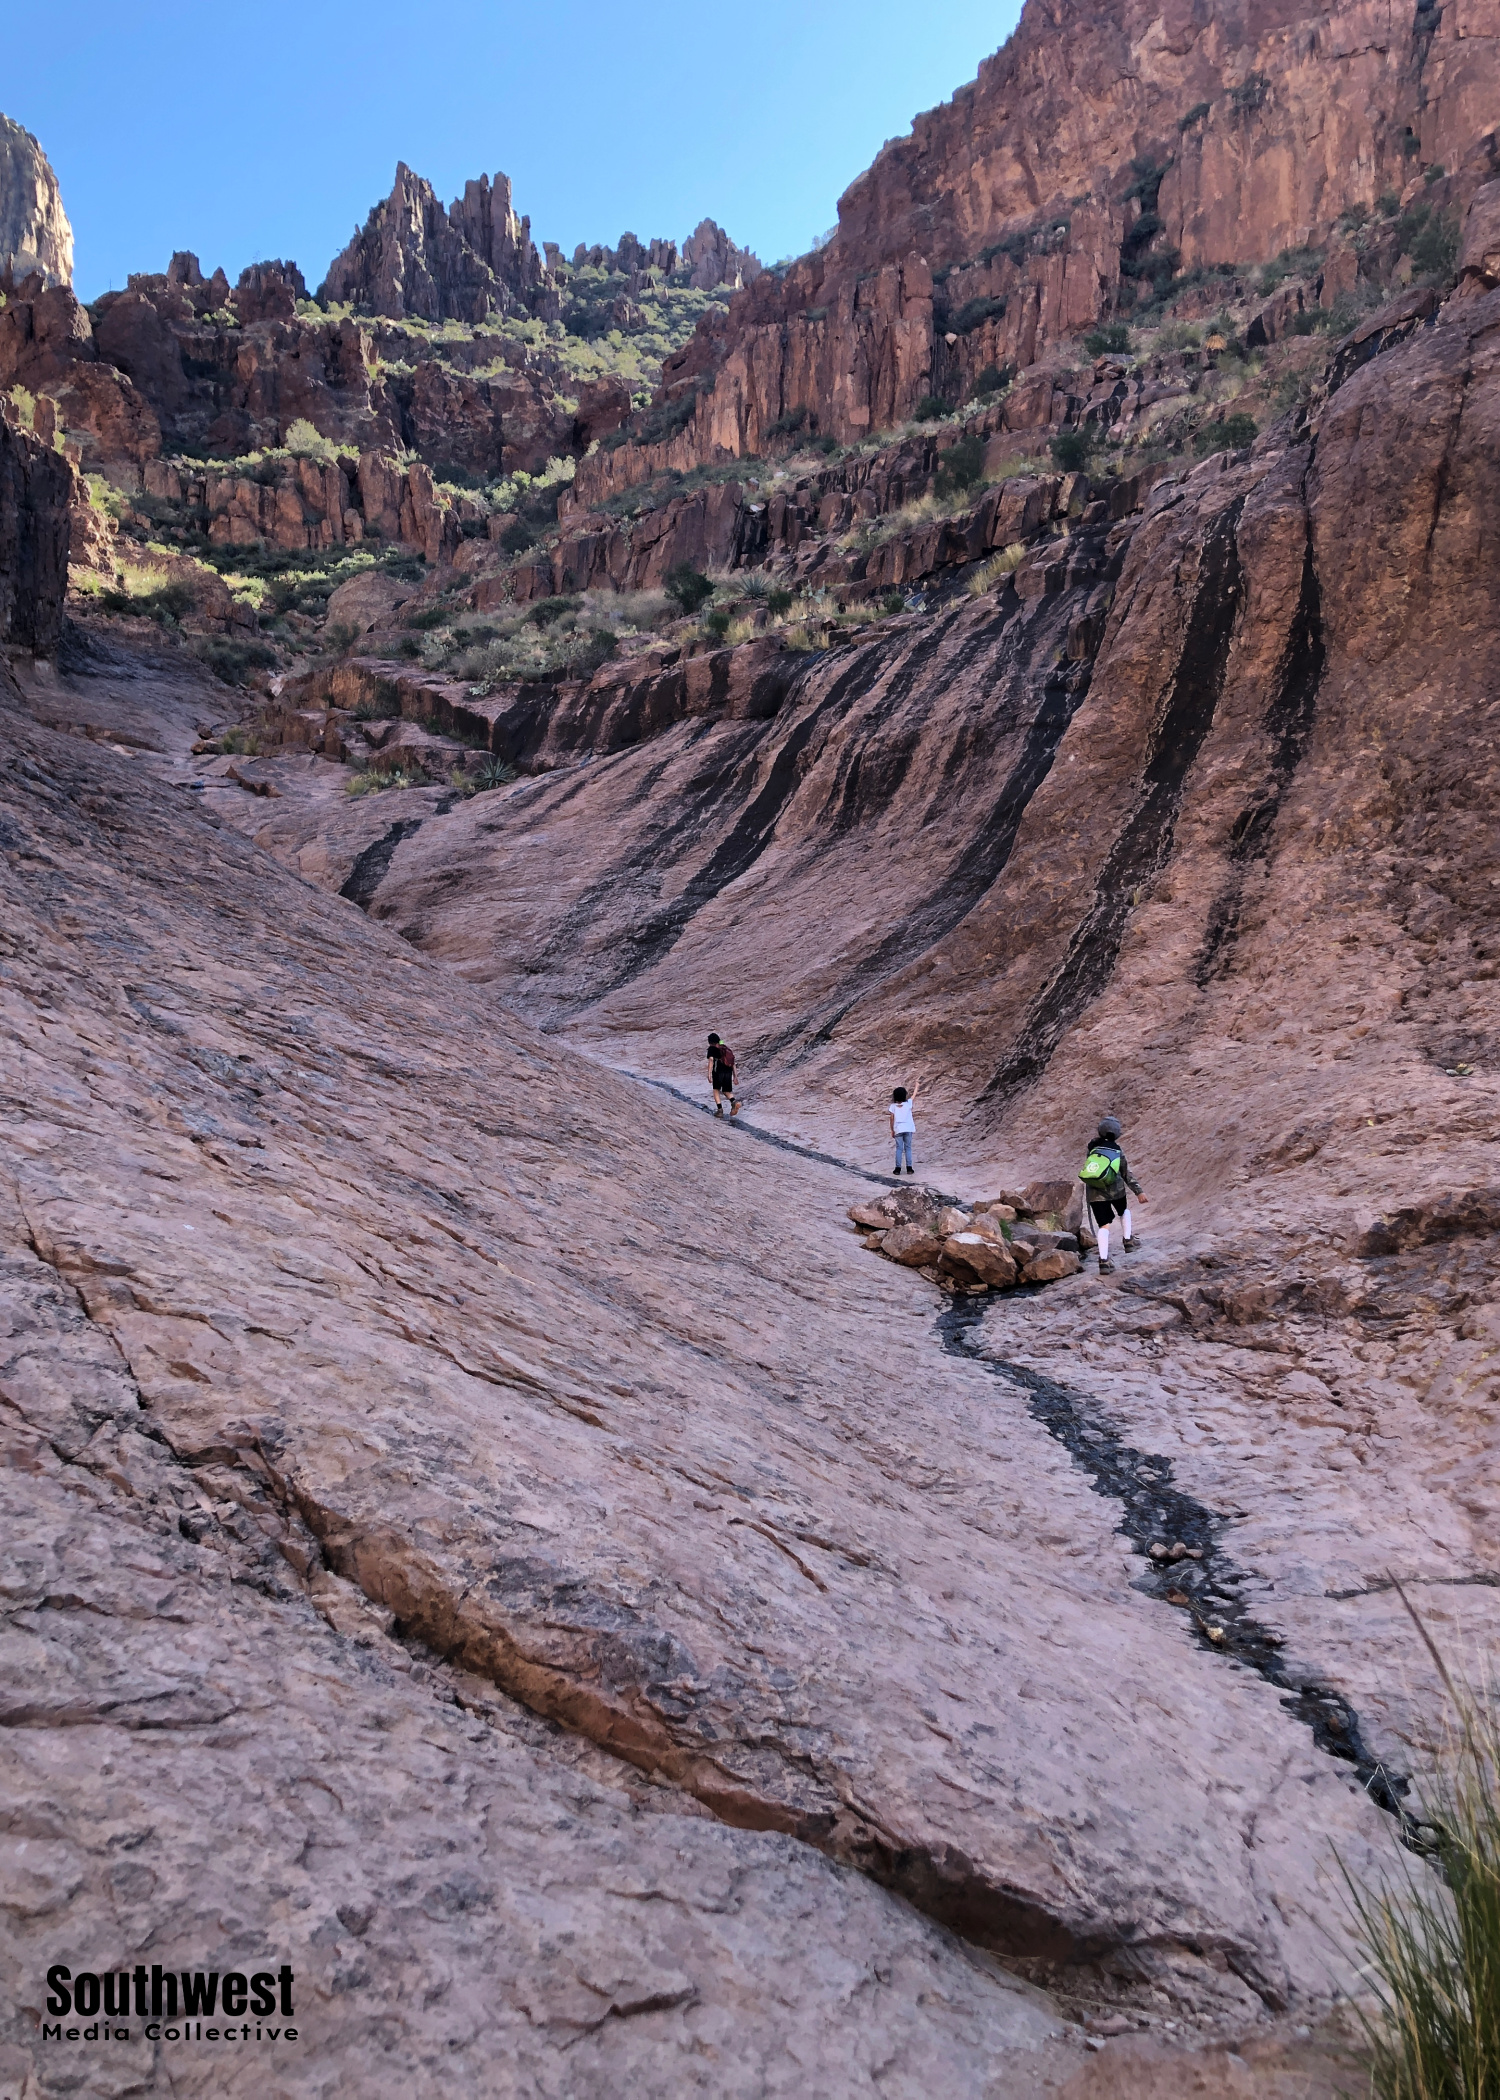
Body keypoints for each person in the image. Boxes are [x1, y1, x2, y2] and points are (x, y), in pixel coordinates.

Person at [1078, 1115, 1145, 1274]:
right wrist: (1139, 1191)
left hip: (1095, 1193)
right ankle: (1128, 1240)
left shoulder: (1092, 1147)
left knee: (1104, 1226)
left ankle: (1104, 1261)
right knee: (1123, 1211)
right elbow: (1125, 1173)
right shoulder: (1116, 1150)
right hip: (1116, 1191)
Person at [706, 1032, 740, 1117]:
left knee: (716, 1089)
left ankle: (720, 1110)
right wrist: (735, 1076)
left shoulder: (711, 1049)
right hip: (728, 1071)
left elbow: (711, 1060)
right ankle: (734, 1102)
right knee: (726, 1090)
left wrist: (709, 1074)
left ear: (710, 1042)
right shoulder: (725, 1048)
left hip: (718, 1071)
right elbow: (733, 1063)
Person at [888, 1083, 918, 1176]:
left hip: (898, 1129)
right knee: (908, 1148)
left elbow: (891, 1118)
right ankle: (909, 1168)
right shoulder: (908, 1103)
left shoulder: (893, 1106)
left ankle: (898, 1169)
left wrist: (892, 1130)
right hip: (908, 1128)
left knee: (899, 1149)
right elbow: (914, 1095)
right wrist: (917, 1086)